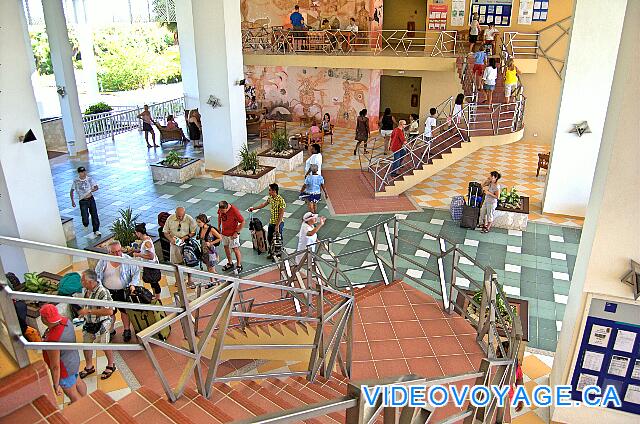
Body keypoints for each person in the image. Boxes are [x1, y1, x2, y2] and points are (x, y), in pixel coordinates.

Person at [95, 240, 140, 342]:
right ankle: (111, 330)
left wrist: (133, 284)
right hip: (108, 292)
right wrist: (100, 288)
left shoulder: (127, 260)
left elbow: (136, 272)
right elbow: (97, 275)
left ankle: (127, 330)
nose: (118, 254)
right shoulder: (103, 261)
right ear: (108, 252)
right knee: (110, 313)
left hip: (123, 291)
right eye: (114, 252)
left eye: (119, 251)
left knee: (125, 312)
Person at [40, 304, 86, 403]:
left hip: (64, 369)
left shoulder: (52, 340)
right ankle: (86, 399)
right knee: (77, 380)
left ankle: (84, 408)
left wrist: (56, 384)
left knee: (73, 395)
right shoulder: (66, 321)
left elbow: (55, 366)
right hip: (74, 360)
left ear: (44, 319)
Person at [77, 269, 117, 380]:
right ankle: (89, 366)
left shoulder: (102, 292)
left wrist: (89, 312)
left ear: (90, 281)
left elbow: (109, 311)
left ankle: (111, 364)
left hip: (102, 323)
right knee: (86, 345)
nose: (81, 282)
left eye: (83, 280)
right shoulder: (87, 291)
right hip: (89, 323)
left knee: (104, 344)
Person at [249, 183, 286, 260]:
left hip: (278, 223)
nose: (268, 192)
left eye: (270, 190)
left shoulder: (281, 200)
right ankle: (272, 253)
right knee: (269, 238)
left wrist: (277, 225)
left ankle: (278, 254)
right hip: (271, 222)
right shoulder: (270, 198)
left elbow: (281, 214)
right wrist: (254, 208)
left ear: (274, 191)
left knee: (278, 240)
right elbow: (263, 204)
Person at [133, 223, 161, 301]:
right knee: (152, 283)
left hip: (151, 266)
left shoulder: (147, 242)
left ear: (139, 233)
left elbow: (151, 256)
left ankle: (157, 297)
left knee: (154, 283)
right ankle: (155, 295)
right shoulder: (147, 239)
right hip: (149, 265)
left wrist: (139, 255)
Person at [70, 166, 101, 238]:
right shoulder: (76, 181)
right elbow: (71, 191)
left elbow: (96, 187)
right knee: (85, 215)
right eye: (81, 172)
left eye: (84, 172)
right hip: (82, 200)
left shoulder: (89, 179)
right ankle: (85, 224)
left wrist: (93, 190)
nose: (83, 173)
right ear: (79, 173)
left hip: (90, 199)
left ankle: (96, 230)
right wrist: (72, 201)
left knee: (94, 214)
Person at [217, 201, 245, 273]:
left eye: (223, 211)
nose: (222, 212)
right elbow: (219, 216)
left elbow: (243, 222)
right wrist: (219, 226)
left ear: (227, 208)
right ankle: (230, 263)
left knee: (235, 249)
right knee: (226, 247)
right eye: (221, 210)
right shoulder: (221, 208)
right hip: (224, 232)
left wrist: (236, 232)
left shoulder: (234, 210)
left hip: (233, 234)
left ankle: (239, 265)